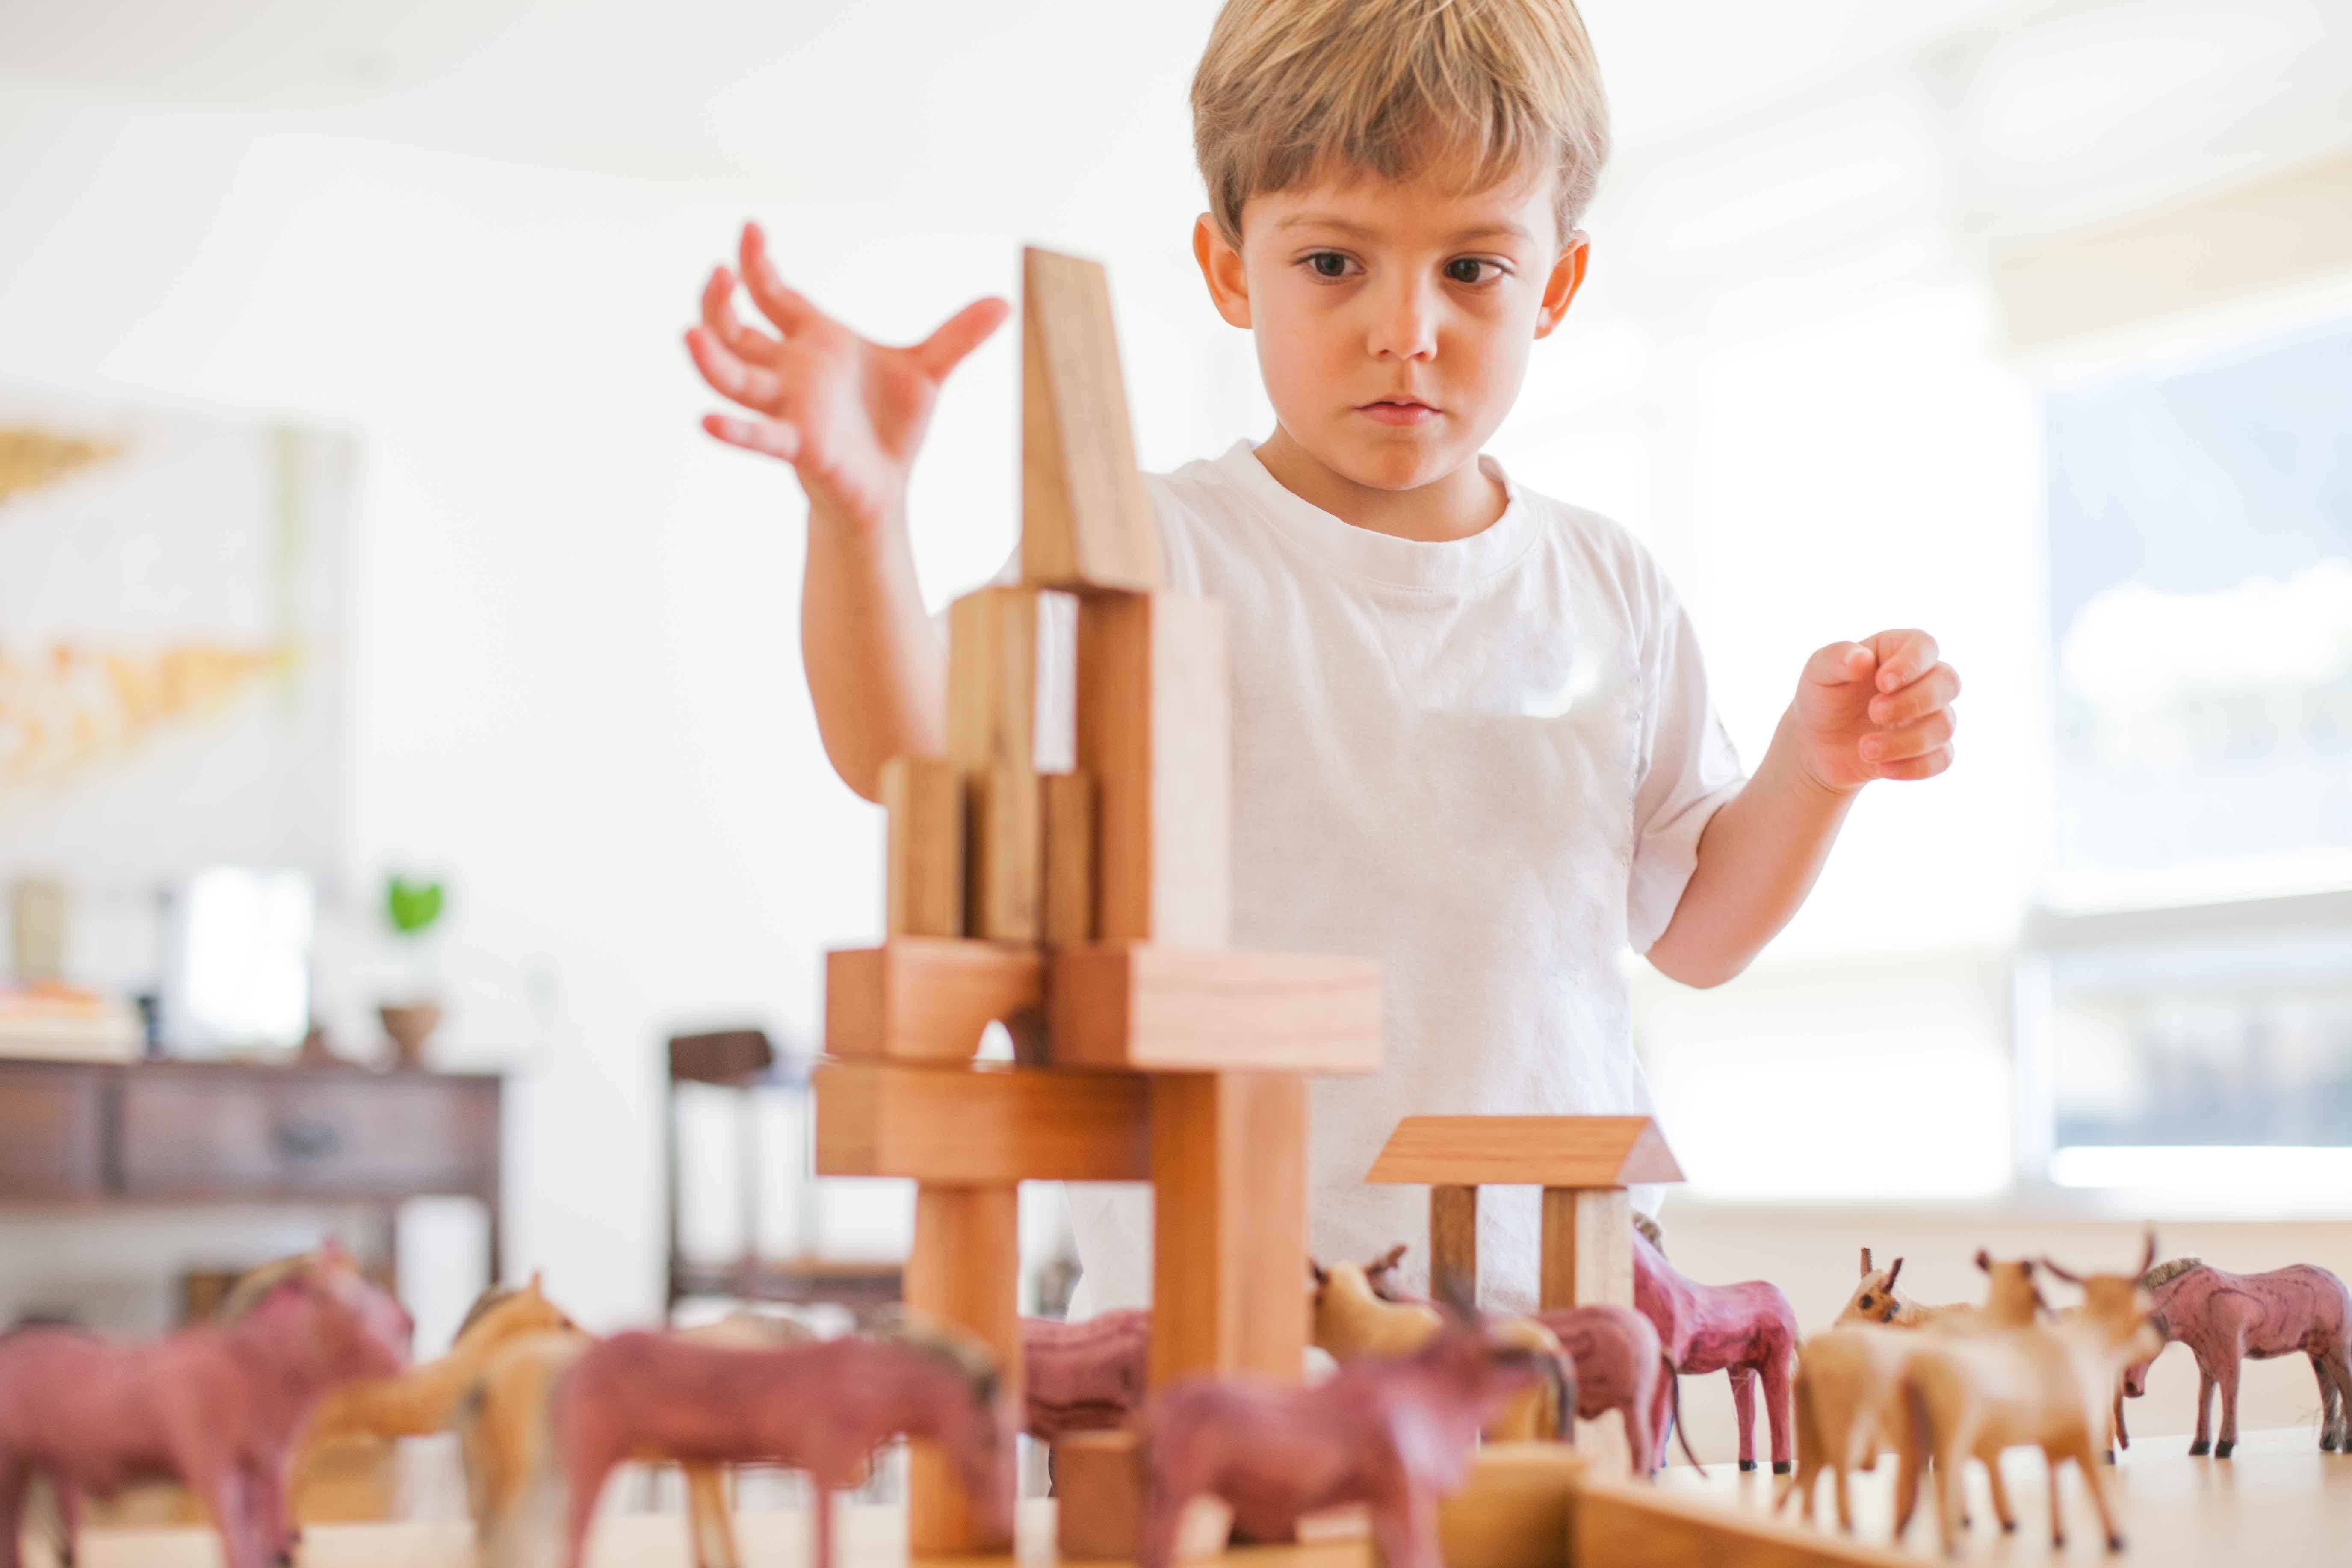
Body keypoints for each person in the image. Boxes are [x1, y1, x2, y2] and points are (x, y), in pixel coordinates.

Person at [680, 0, 1961, 1313]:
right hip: (1219, 1328)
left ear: (1557, 285)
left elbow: (1694, 934)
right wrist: (859, 517)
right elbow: (904, 753)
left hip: (1560, 1324)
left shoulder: (1605, 583)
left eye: (1472, 269)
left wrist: (1816, 771)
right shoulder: (1153, 544)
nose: (1404, 327)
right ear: (1231, 268)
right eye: (1333, 263)